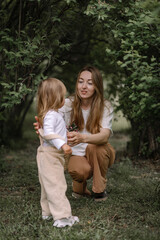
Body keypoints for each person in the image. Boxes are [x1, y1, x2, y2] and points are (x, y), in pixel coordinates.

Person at [34, 66, 115, 202]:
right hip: (76, 154)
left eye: (90, 83)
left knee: (95, 147)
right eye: (80, 81)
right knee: (80, 172)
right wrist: (42, 127)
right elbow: (50, 120)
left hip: (99, 152)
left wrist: (83, 138)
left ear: (97, 86)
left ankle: (99, 190)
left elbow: (105, 135)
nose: (84, 86)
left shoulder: (104, 106)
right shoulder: (66, 104)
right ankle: (79, 186)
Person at [36, 78, 79, 228]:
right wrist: (62, 144)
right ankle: (62, 217)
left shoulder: (53, 114)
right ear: (54, 98)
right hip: (51, 154)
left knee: (47, 184)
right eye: (62, 96)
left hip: (50, 154)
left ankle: (47, 213)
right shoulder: (51, 115)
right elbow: (48, 133)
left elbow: (56, 130)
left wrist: (66, 134)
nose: (64, 99)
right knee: (57, 185)